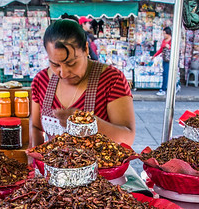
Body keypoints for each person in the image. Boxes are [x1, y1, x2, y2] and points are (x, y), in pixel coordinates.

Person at [30, 19, 135, 147]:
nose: (63, 73)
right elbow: (36, 127)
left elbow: (127, 138)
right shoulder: (41, 81)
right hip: (53, 166)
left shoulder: (112, 80)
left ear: (85, 49)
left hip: (102, 166)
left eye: (71, 63)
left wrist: (89, 123)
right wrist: (34, 162)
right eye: (55, 64)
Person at [152, 27, 180, 96]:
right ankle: (175, 86)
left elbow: (176, 49)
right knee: (165, 74)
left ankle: (164, 89)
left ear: (168, 33)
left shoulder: (172, 40)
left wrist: (170, 47)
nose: (163, 35)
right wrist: (155, 55)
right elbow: (161, 49)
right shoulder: (164, 40)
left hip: (171, 60)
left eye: (164, 33)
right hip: (165, 59)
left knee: (168, 74)